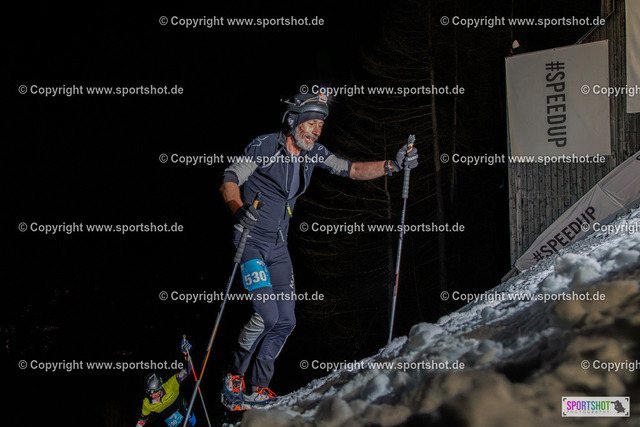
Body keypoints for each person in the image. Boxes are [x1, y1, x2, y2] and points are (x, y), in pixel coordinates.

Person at [219, 93, 418, 410]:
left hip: (278, 246)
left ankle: (257, 388)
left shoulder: (313, 154)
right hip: (251, 240)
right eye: (311, 123)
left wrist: (392, 165)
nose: (316, 130)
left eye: (321, 125)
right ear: (293, 121)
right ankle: (233, 377)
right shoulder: (266, 146)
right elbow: (230, 178)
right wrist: (237, 208)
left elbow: (351, 169)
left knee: (286, 321)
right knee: (267, 315)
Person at [136, 339, 196, 426]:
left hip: (186, 415)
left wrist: (186, 354)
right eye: (149, 393)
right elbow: (142, 419)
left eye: (154, 392)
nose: (152, 396)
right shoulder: (147, 403)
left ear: (160, 387)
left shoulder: (171, 384)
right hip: (173, 424)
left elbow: (187, 370)